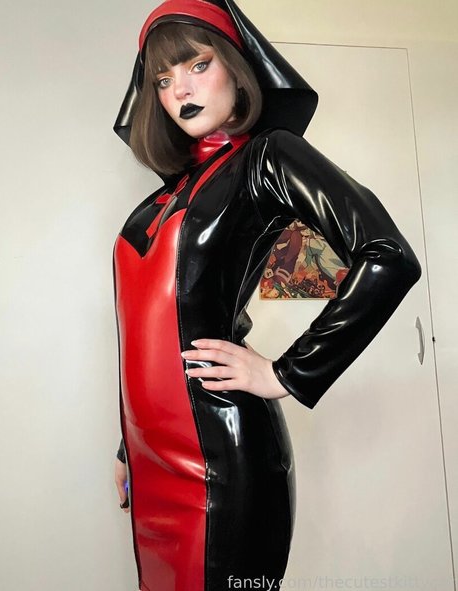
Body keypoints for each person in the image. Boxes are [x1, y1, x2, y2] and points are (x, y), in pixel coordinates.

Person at [112, 1, 422, 590]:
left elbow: (387, 255)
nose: (181, 90)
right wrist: (128, 448)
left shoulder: (266, 157)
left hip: (223, 455)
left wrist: (286, 373)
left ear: (236, 67)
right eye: (163, 79)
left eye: (198, 65)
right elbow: (141, 334)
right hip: (150, 465)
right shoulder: (159, 202)